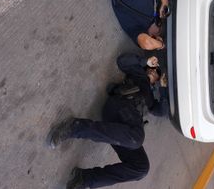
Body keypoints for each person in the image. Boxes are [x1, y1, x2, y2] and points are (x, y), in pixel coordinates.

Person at [47, 53, 169, 189]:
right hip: (118, 108)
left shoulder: (151, 99)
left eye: (157, 73)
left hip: (127, 132)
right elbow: (122, 61)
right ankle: (73, 127)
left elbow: (162, 111)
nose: (154, 71)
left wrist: (164, 89)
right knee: (137, 138)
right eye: (153, 68)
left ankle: (84, 178)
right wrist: (145, 60)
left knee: (141, 168)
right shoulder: (138, 74)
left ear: (156, 81)